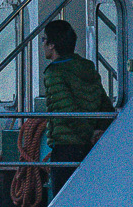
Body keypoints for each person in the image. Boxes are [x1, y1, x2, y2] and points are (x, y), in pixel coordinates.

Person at [40, 19, 114, 195]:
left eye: (44, 40)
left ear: (52, 45)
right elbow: (105, 106)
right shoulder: (86, 68)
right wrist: (98, 132)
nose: (42, 45)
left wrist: (89, 134)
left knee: (64, 200)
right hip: (93, 148)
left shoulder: (54, 73)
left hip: (67, 147)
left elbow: (66, 111)